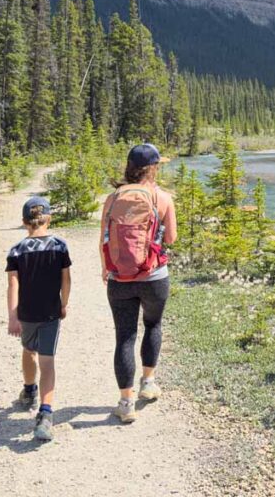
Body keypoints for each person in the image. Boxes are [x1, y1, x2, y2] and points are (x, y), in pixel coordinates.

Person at [100, 143, 177, 424]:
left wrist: (106, 269)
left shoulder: (113, 198)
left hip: (119, 278)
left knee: (124, 337)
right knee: (153, 325)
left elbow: (104, 239)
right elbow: (171, 240)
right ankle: (148, 382)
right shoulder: (163, 198)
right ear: (153, 168)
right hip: (154, 277)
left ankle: (126, 402)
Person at [6, 196, 71, 442]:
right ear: (49, 218)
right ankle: (45, 412)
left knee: (27, 349)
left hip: (27, 314)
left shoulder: (16, 250)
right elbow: (66, 279)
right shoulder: (60, 246)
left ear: (24, 222)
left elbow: (13, 284)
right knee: (47, 360)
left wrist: (13, 316)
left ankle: (29, 389)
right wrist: (64, 303)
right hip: (51, 312)